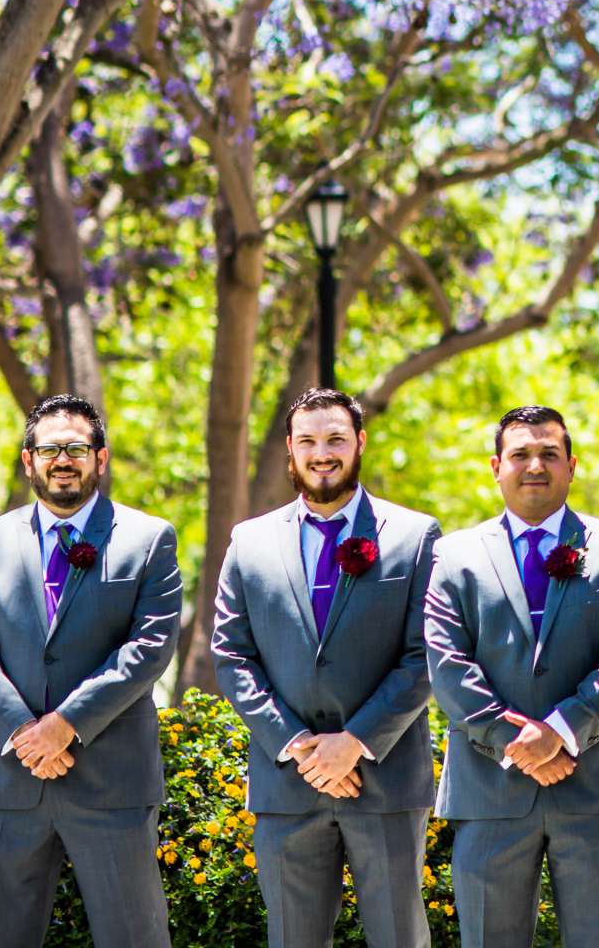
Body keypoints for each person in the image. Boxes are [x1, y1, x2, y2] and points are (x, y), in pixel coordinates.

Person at [0, 393, 181, 948]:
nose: (63, 459)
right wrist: (24, 733)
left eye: (77, 447)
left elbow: (148, 648)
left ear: (100, 458)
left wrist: (66, 723)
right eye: (49, 448)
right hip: (11, 780)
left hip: (112, 781)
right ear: (28, 460)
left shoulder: (148, 539)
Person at [212, 386, 441, 948]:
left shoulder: (415, 537)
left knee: (398, 937)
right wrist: (294, 742)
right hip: (287, 779)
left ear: (359, 442)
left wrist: (355, 741)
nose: (323, 453)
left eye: (336, 438)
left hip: (384, 779)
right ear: (289, 449)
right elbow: (231, 653)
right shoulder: (249, 540)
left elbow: (427, 653)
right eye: (309, 441)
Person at [424, 404, 599, 947]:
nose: (535, 465)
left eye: (549, 454)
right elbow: (445, 660)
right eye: (521, 454)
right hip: (489, 785)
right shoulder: (453, 555)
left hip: (596, 783)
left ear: (571, 466)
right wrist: (514, 741)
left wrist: (560, 729)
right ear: (495, 466)